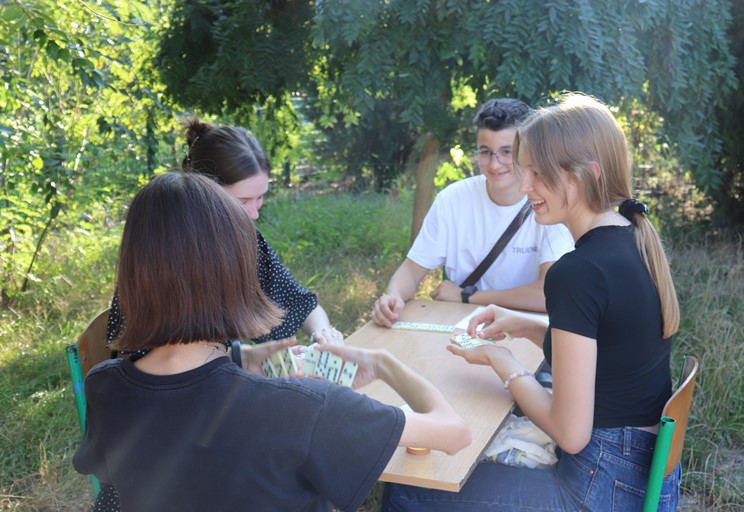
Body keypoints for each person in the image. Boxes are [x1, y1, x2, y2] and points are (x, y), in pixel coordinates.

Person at [73, 172, 471, 512]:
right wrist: (384, 362)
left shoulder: (105, 386)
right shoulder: (304, 408)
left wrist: (242, 359)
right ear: (237, 273)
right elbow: (453, 432)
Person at [381, 93, 681, 511]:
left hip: (598, 489)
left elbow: (570, 433)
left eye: (536, 174)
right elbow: (609, 349)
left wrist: (502, 361)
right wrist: (525, 324)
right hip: (644, 476)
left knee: (409, 489)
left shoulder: (577, 273)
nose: (524, 187)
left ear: (584, 175)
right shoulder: (633, 239)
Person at [106, 117, 343, 348]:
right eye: (243, 201)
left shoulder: (244, 242)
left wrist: (322, 334)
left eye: (260, 197)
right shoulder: (165, 250)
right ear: (205, 194)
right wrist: (247, 359)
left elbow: (298, 303)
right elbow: (165, 359)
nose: (254, 214)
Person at [372, 99, 573, 327]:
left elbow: (548, 295)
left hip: (526, 330)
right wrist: (393, 296)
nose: (495, 164)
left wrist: (468, 296)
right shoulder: (452, 199)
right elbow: (411, 270)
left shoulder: (549, 203)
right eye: (485, 152)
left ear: (528, 152)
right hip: (459, 328)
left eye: (507, 152)